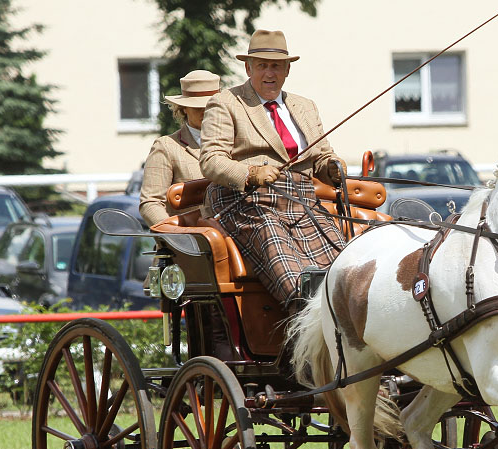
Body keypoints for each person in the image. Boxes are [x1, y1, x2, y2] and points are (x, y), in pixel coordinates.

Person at [200, 29, 347, 310]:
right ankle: (304, 333)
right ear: (248, 67)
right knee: (296, 278)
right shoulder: (226, 103)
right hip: (247, 202)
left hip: (301, 202)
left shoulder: (305, 107)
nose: (270, 73)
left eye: (276, 66)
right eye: (262, 65)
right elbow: (211, 159)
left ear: (287, 69)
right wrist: (251, 174)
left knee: (342, 271)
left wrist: (332, 168)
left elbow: (321, 156)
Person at [139, 70, 220, 226]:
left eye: (211, 106)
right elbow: (151, 203)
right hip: (191, 241)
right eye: (198, 107)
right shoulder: (166, 147)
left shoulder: (236, 141)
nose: (206, 112)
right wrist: (176, 236)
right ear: (183, 108)